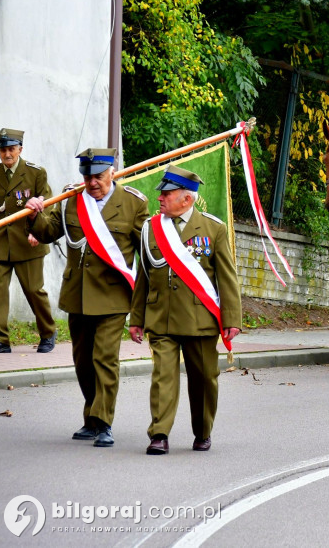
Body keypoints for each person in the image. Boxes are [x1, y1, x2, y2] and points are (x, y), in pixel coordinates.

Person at [26, 148, 150, 447]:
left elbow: (148, 252)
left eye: (98, 176)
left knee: (104, 358)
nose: (92, 183)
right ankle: (91, 419)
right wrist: (34, 214)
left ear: (112, 172)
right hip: (78, 295)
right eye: (87, 176)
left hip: (113, 297)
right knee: (82, 362)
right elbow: (48, 232)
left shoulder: (133, 203)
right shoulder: (72, 200)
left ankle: (103, 421)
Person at [129, 165, 242, 454]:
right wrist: (137, 318)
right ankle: (159, 434)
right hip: (161, 317)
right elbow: (143, 274)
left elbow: (227, 278)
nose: (160, 199)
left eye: (167, 194)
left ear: (187, 199)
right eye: (161, 194)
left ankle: (202, 430)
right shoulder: (151, 229)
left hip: (199, 319)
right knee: (163, 377)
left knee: (204, 379)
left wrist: (232, 319)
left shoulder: (213, 228)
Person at [0, 128, 57, 354]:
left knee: (33, 290)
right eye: (2, 150)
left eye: (11, 149)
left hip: (28, 240)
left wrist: (37, 230)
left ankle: (48, 332)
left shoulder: (35, 172)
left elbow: (48, 204)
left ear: (20, 149)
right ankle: (0, 339)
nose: (7, 154)